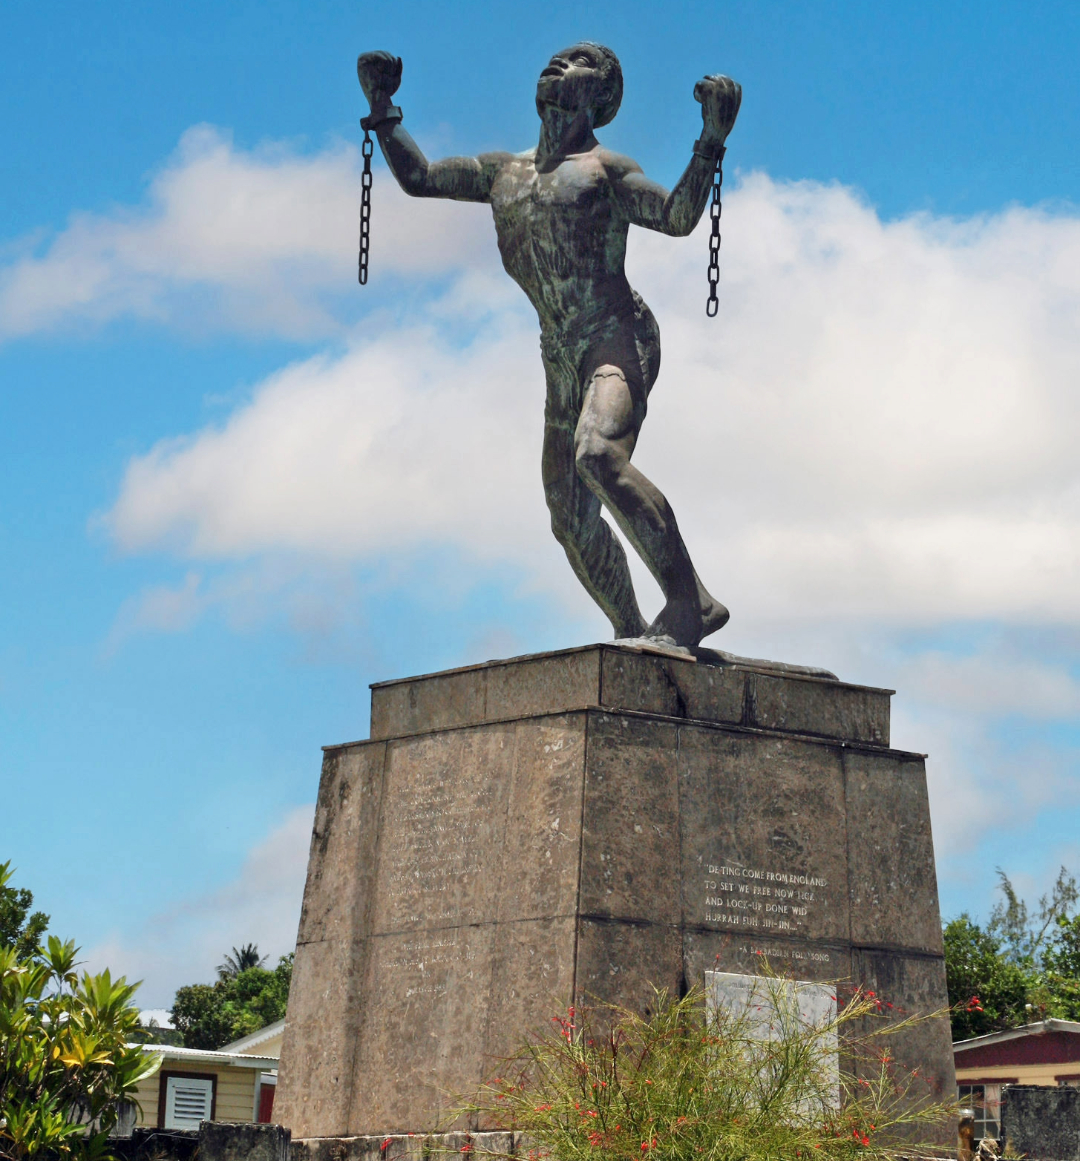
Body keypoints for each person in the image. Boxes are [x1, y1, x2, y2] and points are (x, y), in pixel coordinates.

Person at [357, 43, 741, 649]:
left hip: (617, 336)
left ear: (601, 96)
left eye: (581, 62)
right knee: (567, 515)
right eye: (556, 59)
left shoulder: (605, 172)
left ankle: (692, 600)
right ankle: (629, 632)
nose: (560, 65)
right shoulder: (501, 174)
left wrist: (711, 140)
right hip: (558, 351)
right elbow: (421, 178)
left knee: (597, 456)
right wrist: (383, 108)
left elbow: (675, 217)